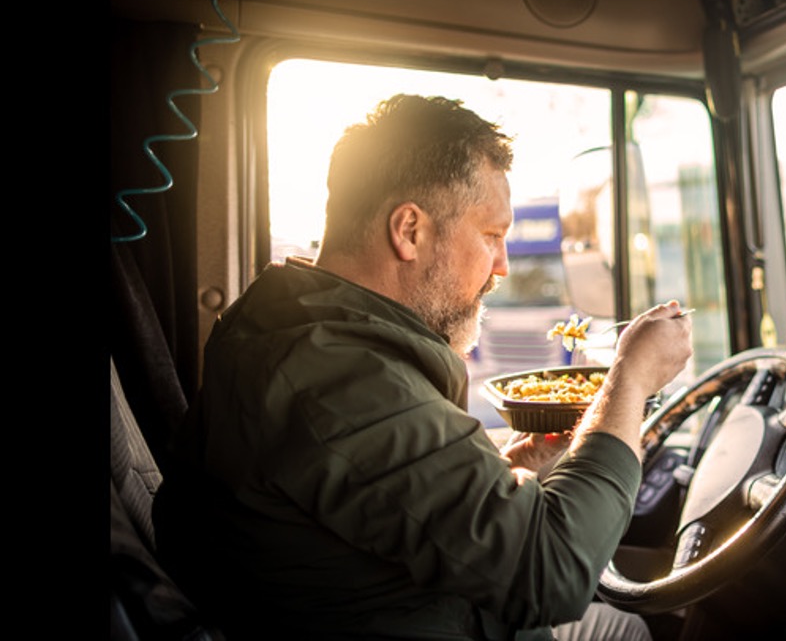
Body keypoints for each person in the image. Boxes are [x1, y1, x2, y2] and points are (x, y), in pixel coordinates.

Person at [153, 94, 693, 640]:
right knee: (630, 630)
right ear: (409, 230)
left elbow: (369, 484)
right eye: (491, 236)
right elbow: (551, 573)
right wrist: (631, 377)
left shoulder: (311, 336)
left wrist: (499, 469)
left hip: (442, 608)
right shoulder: (338, 375)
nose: (501, 267)